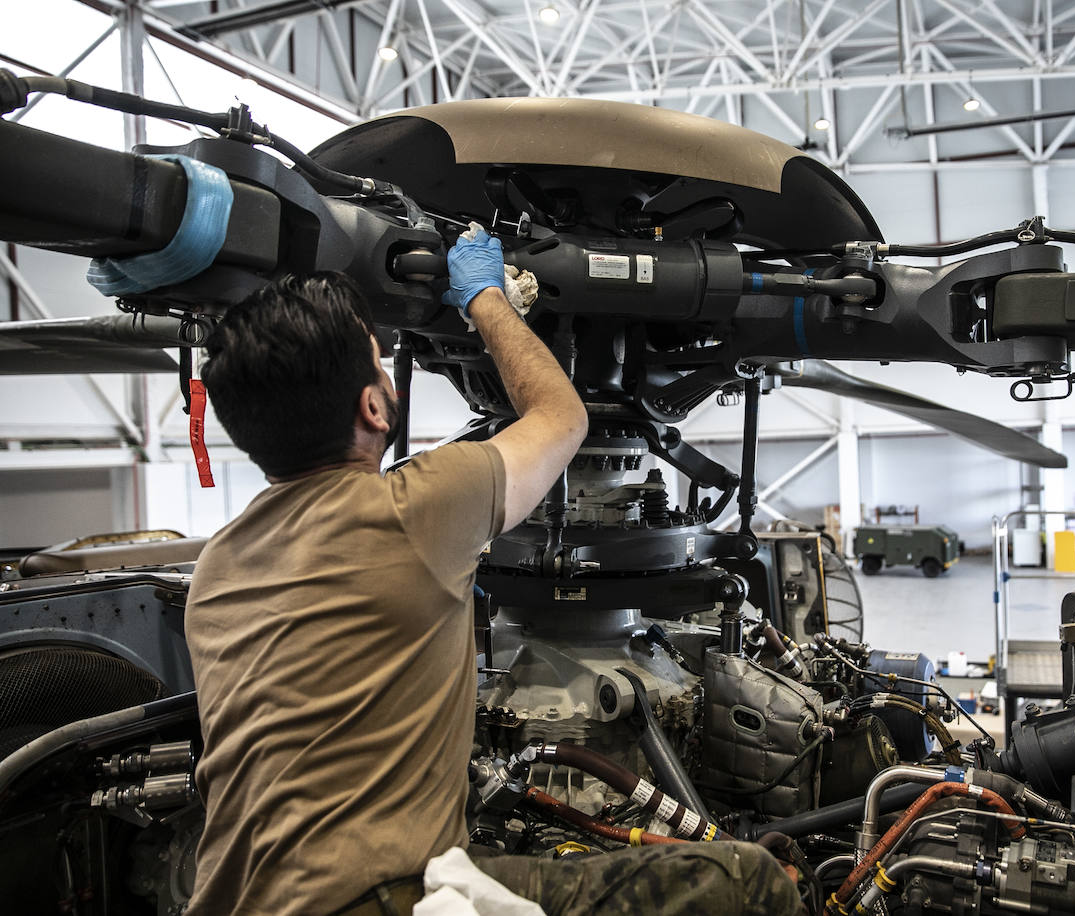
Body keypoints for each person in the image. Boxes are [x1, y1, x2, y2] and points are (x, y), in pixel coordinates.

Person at [184, 232, 804, 916]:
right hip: (369, 899)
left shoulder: (218, 562)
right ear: (371, 408)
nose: (390, 379)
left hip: (236, 898)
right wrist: (486, 298)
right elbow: (561, 419)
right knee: (748, 882)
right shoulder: (417, 509)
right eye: (379, 365)